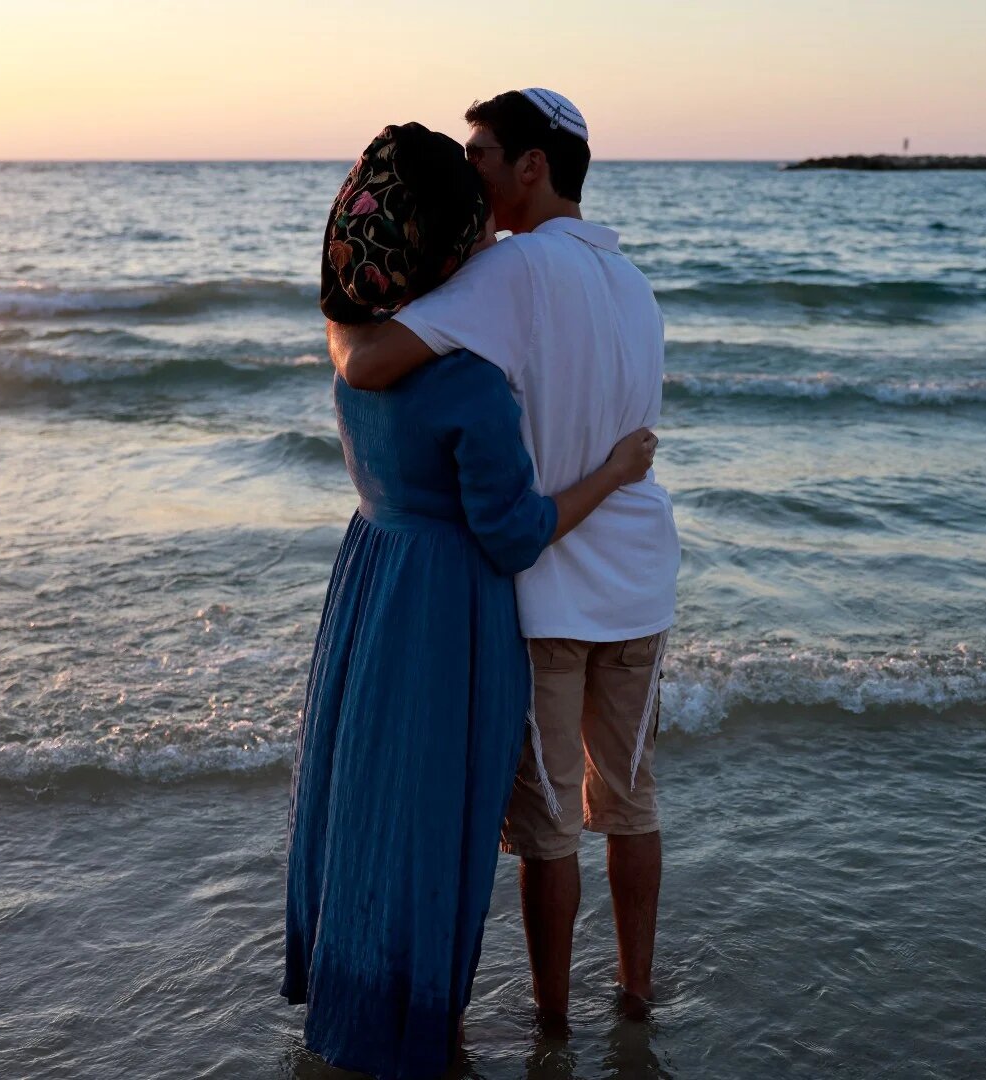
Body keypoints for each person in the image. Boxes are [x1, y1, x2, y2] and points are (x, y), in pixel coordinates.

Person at [282, 122, 657, 1080]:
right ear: (455, 245)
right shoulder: (469, 389)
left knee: (369, 800)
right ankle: (431, 1034)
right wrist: (615, 471)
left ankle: (352, 995)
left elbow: (357, 339)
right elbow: (519, 531)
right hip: (450, 610)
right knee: (442, 822)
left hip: (371, 585)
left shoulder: (353, 347)